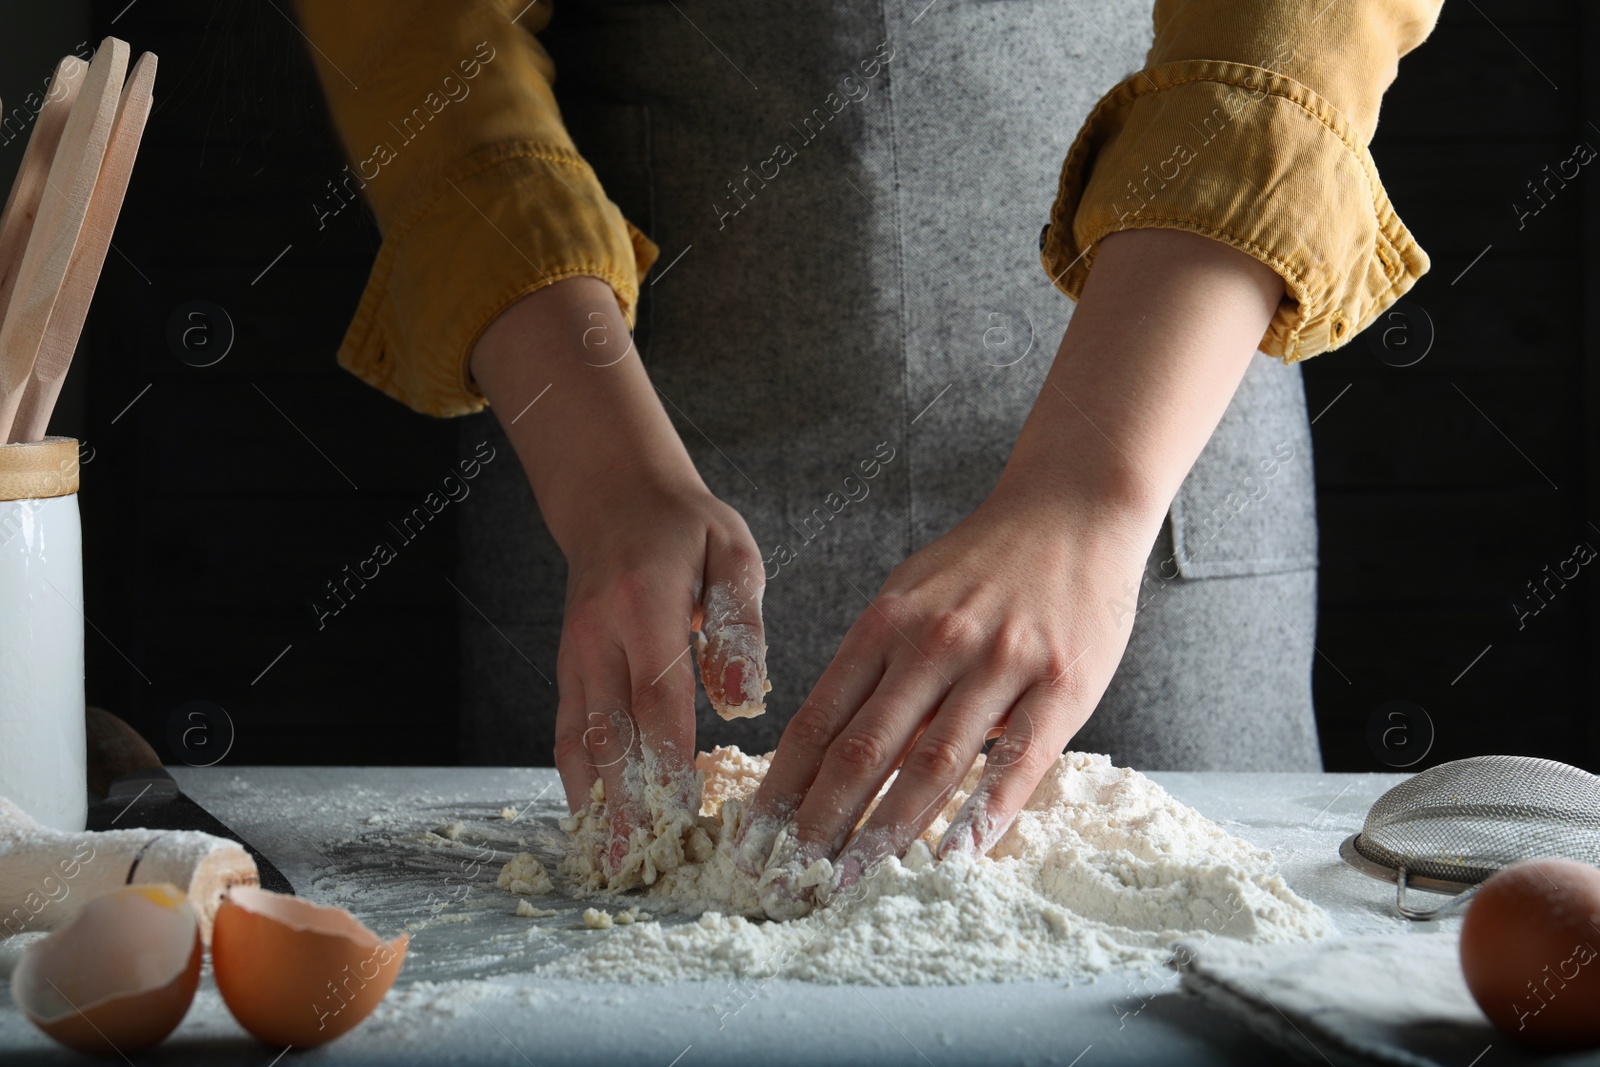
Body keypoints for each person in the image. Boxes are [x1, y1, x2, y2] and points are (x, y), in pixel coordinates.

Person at [294, 0, 1441, 911]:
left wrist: (1093, 491)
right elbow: (422, 39)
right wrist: (604, 480)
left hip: (1159, 445)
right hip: (614, 448)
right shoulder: (603, 474)